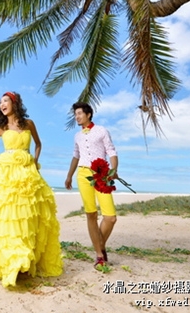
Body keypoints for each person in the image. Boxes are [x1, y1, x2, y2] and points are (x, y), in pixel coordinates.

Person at [0, 91, 63, 287]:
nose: (2, 105)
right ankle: (12, 257)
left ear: (14, 103)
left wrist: (35, 161)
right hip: (6, 172)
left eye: (5, 101)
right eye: (0, 102)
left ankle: (26, 254)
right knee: (6, 213)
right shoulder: (1, 128)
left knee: (28, 213)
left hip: (27, 172)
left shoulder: (29, 124)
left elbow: (38, 144)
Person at [65, 101, 119, 269]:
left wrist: (113, 169)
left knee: (110, 217)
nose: (77, 117)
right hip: (83, 175)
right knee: (91, 214)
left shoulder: (102, 130)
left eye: (79, 113)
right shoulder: (77, 136)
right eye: (75, 114)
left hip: (101, 174)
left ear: (88, 114)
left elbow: (111, 151)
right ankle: (99, 255)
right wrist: (69, 176)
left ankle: (100, 245)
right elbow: (76, 156)